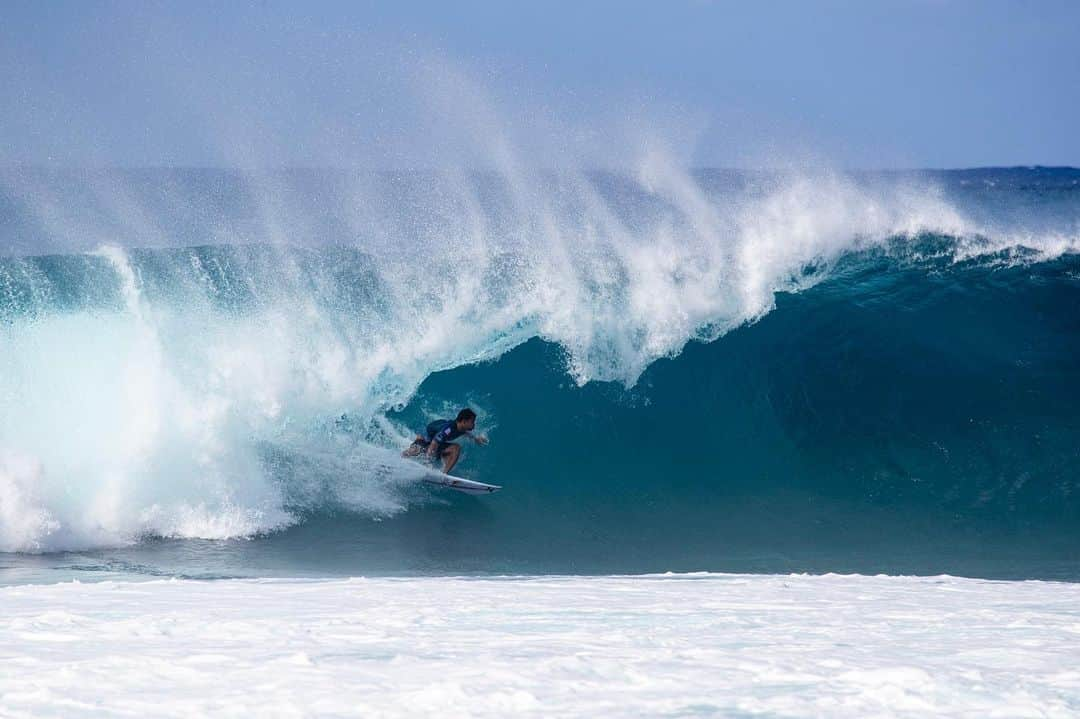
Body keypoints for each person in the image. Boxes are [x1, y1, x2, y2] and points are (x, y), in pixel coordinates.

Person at [402, 407, 488, 474]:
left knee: (456, 448)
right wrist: (427, 462)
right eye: (472, 422)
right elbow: (434, 442)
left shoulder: (461, 428)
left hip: (434, 444)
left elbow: (465, 433)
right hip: (424, 439)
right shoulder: (448, 429)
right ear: (464, 421)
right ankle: (399, 460)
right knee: (417, 450)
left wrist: (476, 438)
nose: (474, 425)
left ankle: (444, 474)